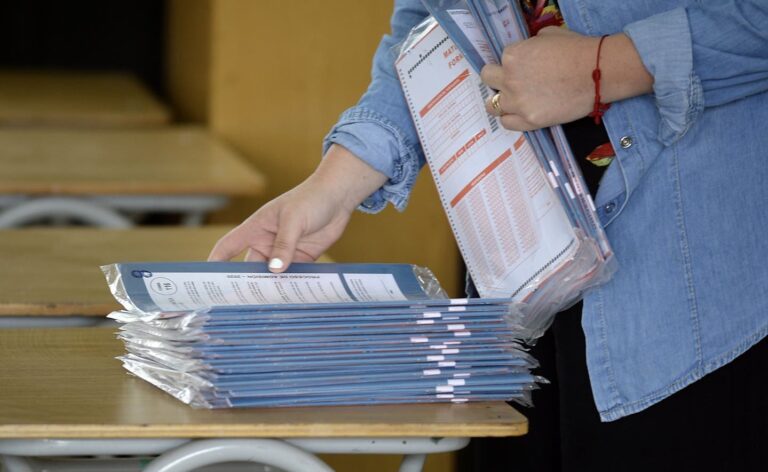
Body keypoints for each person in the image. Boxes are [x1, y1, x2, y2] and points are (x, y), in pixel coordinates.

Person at [210, 1, 768, 470]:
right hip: (516, 280)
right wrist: (334, 184)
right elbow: (432, 24)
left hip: (697, 297)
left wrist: (608, 66)